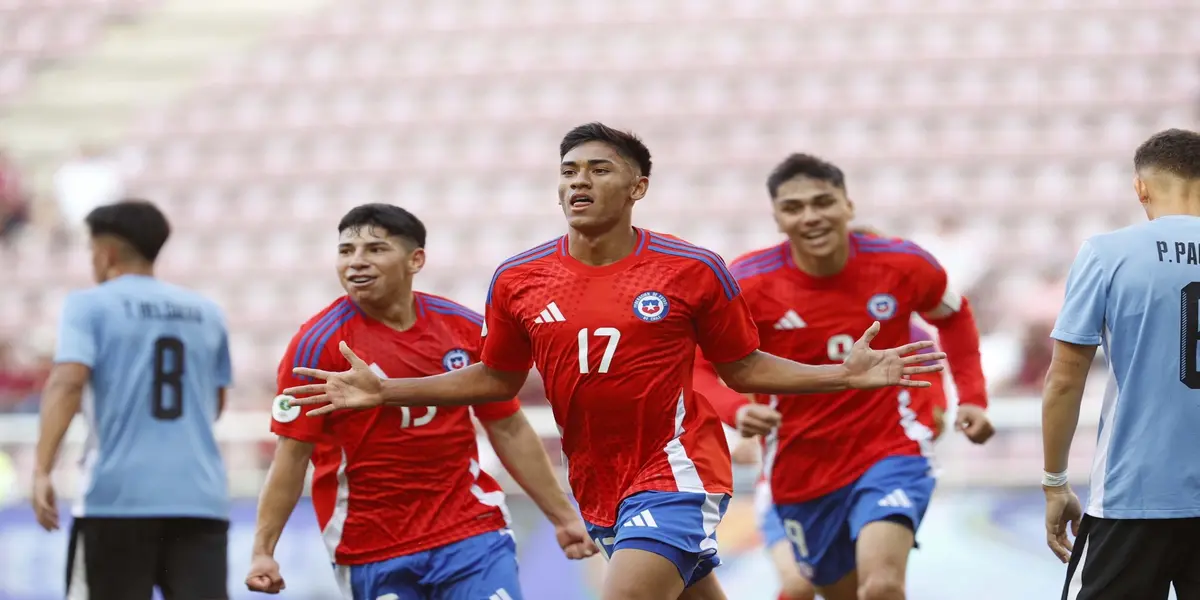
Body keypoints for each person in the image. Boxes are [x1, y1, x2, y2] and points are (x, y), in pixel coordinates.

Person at [281, 123, 946, 600]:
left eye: (598, 169)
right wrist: (389, 390)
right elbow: (496, 381)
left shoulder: (692, 270)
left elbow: (742, 369)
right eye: (568, 170)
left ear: (638, 186)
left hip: (679, 467)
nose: (579, 181)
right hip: (598, 481)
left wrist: (843, 374)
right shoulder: (518, 279)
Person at [245, 204, 591, 600]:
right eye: (346, 251)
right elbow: (291, 456)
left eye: (375, 249)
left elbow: (507, 426)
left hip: (469, 529)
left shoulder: (460, 328)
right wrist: (262, 553)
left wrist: (562, 517)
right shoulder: (316, 346)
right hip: (371, 546)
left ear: (416, 260)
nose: (356, 262)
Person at [693, 154, 994, 600]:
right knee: (828, 590)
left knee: (882, 586)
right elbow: (697, 365)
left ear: (847, 206)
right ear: (777, 218)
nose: (811, 216)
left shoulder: (904, 264)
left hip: (891, 449)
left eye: (823, 202)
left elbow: (954, 314)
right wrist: (736, 409)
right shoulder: (749, 284)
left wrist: (972, 396)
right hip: (800, 467)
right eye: (794, 207)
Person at [32, 200, 233, 600]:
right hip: (199, 496)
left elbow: (67, 383)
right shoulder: (207, 312)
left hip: (116, 497)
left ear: (105, 253)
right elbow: (215, 403)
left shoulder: (88, 305)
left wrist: (42, 468)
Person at [1043, 128, 1200, 600]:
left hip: (1135, 494)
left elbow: (1064, 380)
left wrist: (1055, 484)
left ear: (1141, 188)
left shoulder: (1107, 253)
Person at [743, 315, 948, 600]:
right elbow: (720, 374)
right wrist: (738, 418)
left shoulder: (909, 333)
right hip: (792, 482)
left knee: (881, 586)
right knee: (799, 587)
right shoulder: (768, 315)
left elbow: (933, 418)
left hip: (874, 469)